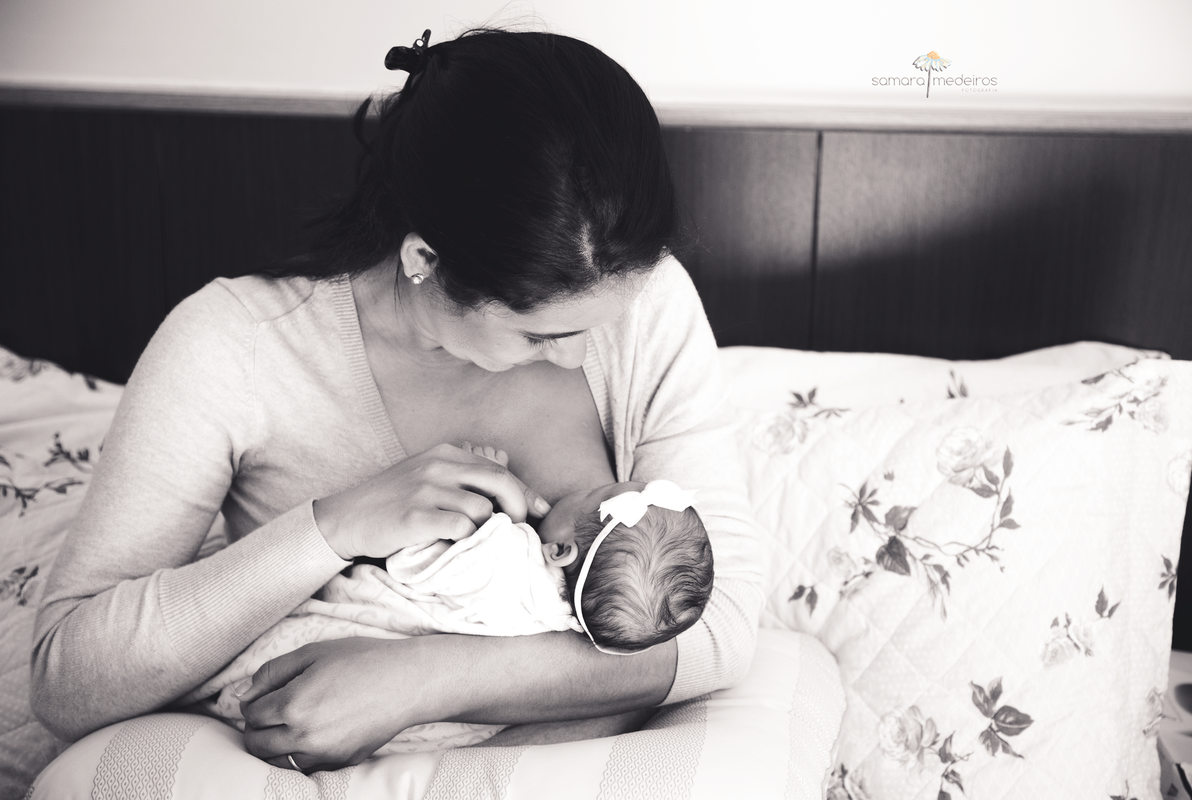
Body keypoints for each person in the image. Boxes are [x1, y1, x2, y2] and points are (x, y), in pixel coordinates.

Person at [31, 27, 763, 774]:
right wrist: (335, 526)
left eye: (599, 324)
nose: (580, 356)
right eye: (540, 334)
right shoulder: (236, 346)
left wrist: (421, 682)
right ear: (425, 260)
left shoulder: (646, 301)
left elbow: (725, 623)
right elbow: (66, 682)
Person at [180, 444, 715, 756]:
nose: (585, 486)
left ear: (559, 551)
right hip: (439, 735)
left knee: (255, 647)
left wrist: (481, 506)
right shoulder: (568, 624)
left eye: (596, 492)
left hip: (348, 655)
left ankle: (215, 688)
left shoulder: (508, 560)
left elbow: (415, 559)